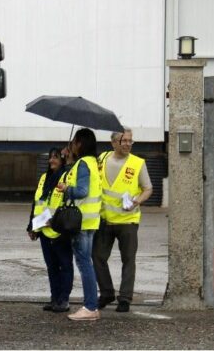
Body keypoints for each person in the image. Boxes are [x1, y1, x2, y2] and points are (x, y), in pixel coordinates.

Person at [92, 128, 152, 313]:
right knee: (98, 257)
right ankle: (107, 293)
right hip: (105, 220)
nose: (127, 144)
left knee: (128, 260)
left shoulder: (137, 163)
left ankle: (125, 298)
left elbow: (148, 188)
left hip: (128, 221)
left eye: (130, 141)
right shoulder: (102, 159)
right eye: (123, 140)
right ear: (113, 143)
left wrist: (137, 202)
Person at [57, 128, 102, 321]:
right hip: (90, 220)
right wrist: (68, 162)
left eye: (74, 142)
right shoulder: (92, 163)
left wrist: (67, 188)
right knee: (87, 263)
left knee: (85, 265)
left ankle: (90, 307)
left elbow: (82, 191)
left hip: (81, 222)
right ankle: (91, 306)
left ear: (80, 144)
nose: (72, 145)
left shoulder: (83, 163)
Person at [26, 147, 73, 313]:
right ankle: (55, 299)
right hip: (44, 229)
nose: (52, 160)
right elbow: (37, 203)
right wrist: (32, 226)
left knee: (65, 265)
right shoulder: (44, 178)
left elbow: (68, 204)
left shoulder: (67, 178)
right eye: (50, 157)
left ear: (62, 160)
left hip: (60, 231)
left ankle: (64, 300)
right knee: (52, 267)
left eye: (55, 157)